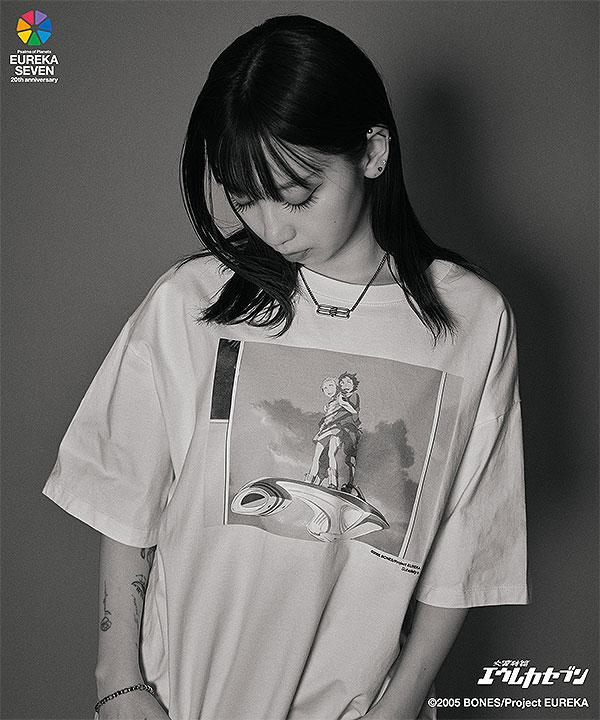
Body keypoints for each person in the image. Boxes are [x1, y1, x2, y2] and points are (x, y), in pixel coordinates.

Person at [41, 14, 529, 720]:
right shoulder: (190, 303)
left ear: (372, 153)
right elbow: (126, 497)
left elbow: (465, 551)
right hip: (182, 702)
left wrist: (397, 709)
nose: (273, 229)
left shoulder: (471, 321)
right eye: (245, 199)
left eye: (297, 194)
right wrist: (117, 683)